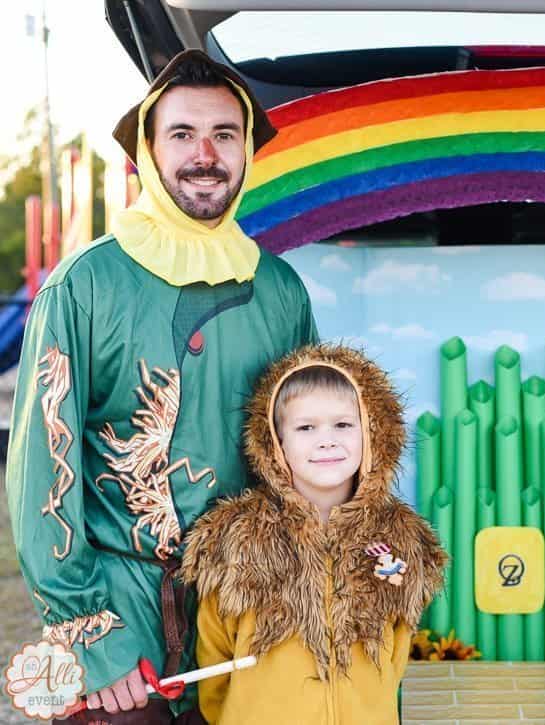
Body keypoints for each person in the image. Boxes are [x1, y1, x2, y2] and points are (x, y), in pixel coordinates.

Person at [6, 50, 317, 724]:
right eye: (182, 134)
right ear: (147, 150)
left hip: (245, 616)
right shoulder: (83, 286)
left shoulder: (282, 290)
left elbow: (313, 453)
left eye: (224, 135)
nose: (204, 154)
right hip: (119, 613)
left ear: (246, 151)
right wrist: (93, 635)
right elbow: (41, 481)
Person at [179, 343, 446, 724]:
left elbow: (396, 655)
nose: (326, 440)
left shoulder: (400, 541)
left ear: (373, 432)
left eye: (342, 424)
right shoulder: (236, 542)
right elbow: (215, 657)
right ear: (276, 442)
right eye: (306, 427)